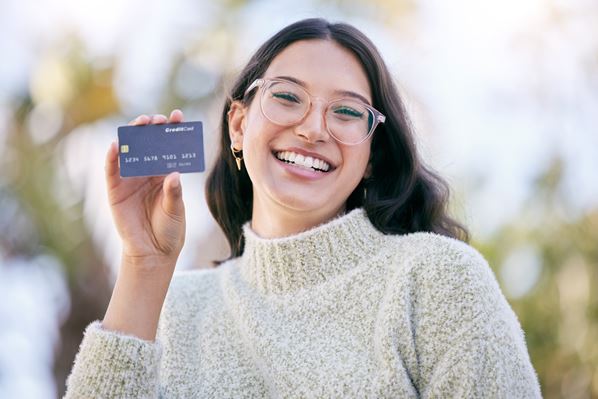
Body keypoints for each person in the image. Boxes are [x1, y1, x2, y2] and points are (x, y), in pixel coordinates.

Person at [64, 18, 542, 398]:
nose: (314, 129)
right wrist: (144, 265)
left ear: (372, 156)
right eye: (288, 97)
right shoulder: (172, 312)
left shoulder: (435, 279)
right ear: (237, 124)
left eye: (348, 111)